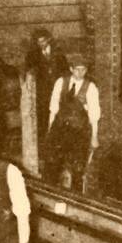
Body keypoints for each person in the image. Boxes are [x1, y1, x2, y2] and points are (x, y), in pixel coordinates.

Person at [45, 49, 101, 190]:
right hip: (60, 129)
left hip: (78, 131)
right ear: (71, 69)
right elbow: (53, 108)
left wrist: (94, 137)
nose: (80, 73)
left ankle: (76, 195)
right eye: (77, 70)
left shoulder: (91, 87)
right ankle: (51, 191)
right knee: (53, 163)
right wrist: (50, 130)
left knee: (77, 166)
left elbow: (94, 115)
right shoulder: (60, 82)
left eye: (83, 70)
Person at [24, 28, 69, 150]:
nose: (41, 44)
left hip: (57, 91)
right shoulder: (32, 55)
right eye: (38, 42)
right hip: (42, 94)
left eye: (43, 41)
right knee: (43, 117)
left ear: (49, 39)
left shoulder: (58, 53)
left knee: (58, 115)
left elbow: (65, 71)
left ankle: (58, 143)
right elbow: (29, 71)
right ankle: (44, 144)